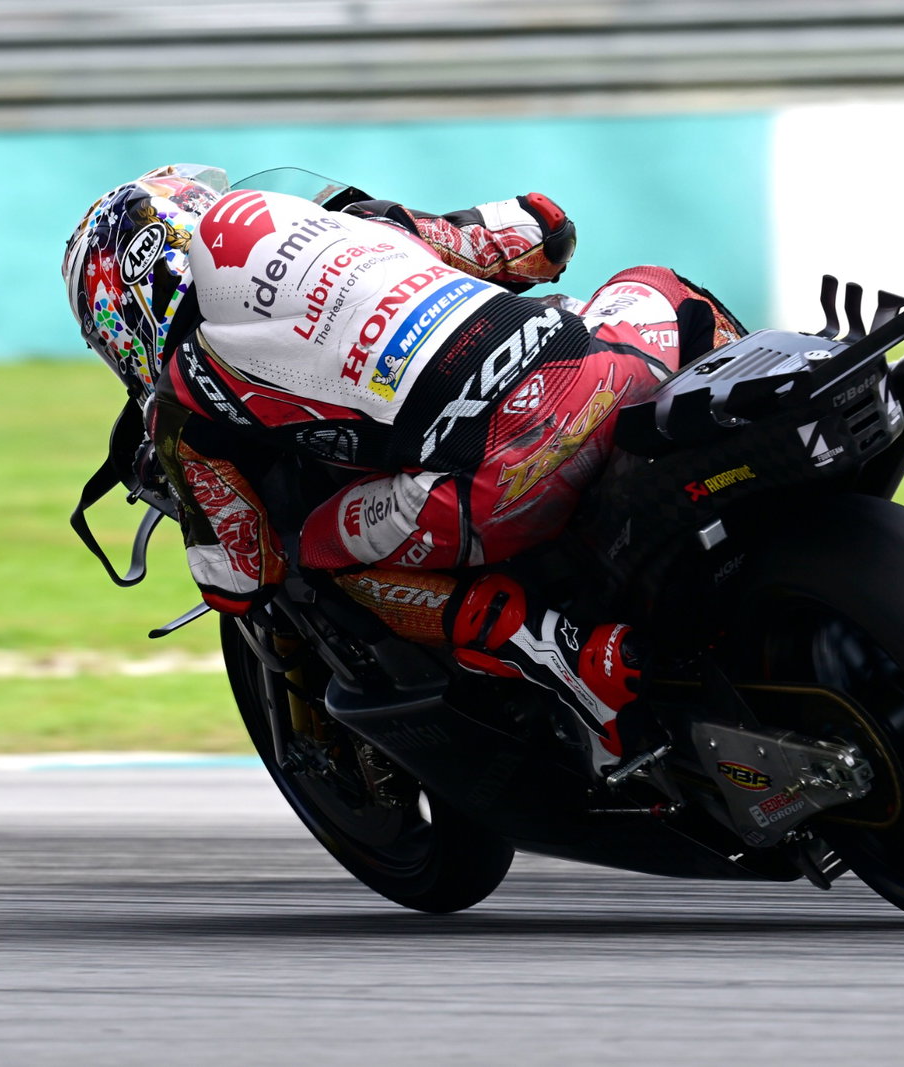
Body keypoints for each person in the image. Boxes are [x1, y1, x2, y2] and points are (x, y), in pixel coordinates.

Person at [63, 164, 745, 774]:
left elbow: (246, 572)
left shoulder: (184, 397)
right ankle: (768, 402)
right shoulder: (366, 225)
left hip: (498, 482)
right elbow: (542, 230)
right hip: (607, 377)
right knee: (652, 282)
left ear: (121, 311)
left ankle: (562, 657)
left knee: (321, 558)